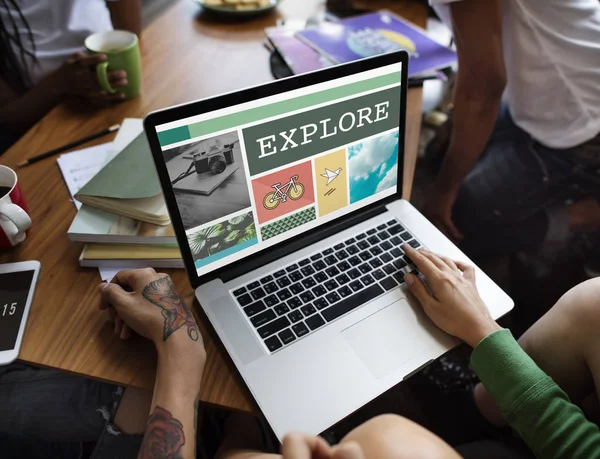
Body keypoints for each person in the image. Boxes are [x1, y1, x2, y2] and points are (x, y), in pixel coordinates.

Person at [423, 0, 600, 263]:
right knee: (437, 159)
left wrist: (444, 192)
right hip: (547, 94)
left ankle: (584, 217)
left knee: (457, 220)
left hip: (583, 122)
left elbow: (483, 89)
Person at [0, 0, 142, 152]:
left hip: (121, 102)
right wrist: (60, 84)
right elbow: (7, 117)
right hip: (53, 122)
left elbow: (133, 36)